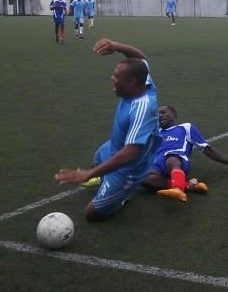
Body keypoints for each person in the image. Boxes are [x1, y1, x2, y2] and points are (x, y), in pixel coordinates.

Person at [54, 38, 161, 221]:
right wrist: (116, 46)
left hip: (128, 170)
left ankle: (124, 195)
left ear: (131, 82)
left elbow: (129, 154)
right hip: (112, 147)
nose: (112, 78)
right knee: (97, 159)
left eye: (117, 77)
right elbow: (142, 59)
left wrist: (87, 175)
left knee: (91, 215)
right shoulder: (144, 82)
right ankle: (109, 184)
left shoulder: (143, 107)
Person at [142, 106, 228, 203]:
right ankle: (188, 186)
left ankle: (177, 190)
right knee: (139, 177)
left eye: (163, 112)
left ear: (174, 114)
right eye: (157, 114)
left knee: (171, 160)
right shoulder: (156, 133)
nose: (159, 115)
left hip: (176, 160)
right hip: (158, 165)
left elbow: (207, 149)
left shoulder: (185, 127)